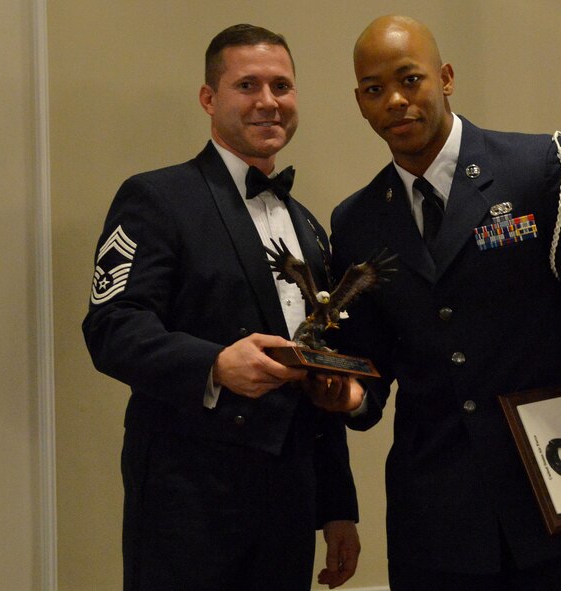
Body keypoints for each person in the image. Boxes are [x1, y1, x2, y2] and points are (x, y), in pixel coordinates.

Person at [318, 15, 561, 590]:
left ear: (446, 78)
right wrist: (350, 395)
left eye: (410, 79)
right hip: (437, 520)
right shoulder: (357, 221)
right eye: (373, 89)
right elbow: (372, 362)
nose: (394, 100)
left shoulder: (541, 168)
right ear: (359, 102)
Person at [82, 24, 360, 591]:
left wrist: (336, 507)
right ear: (210, 99)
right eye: (247, 85)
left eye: (281, 86)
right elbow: (112, 327)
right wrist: (214, 365)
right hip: (187, 505)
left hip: (288, 506)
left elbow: (317, 359)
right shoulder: (156, 197)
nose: (267, 102)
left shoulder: (309, 226)